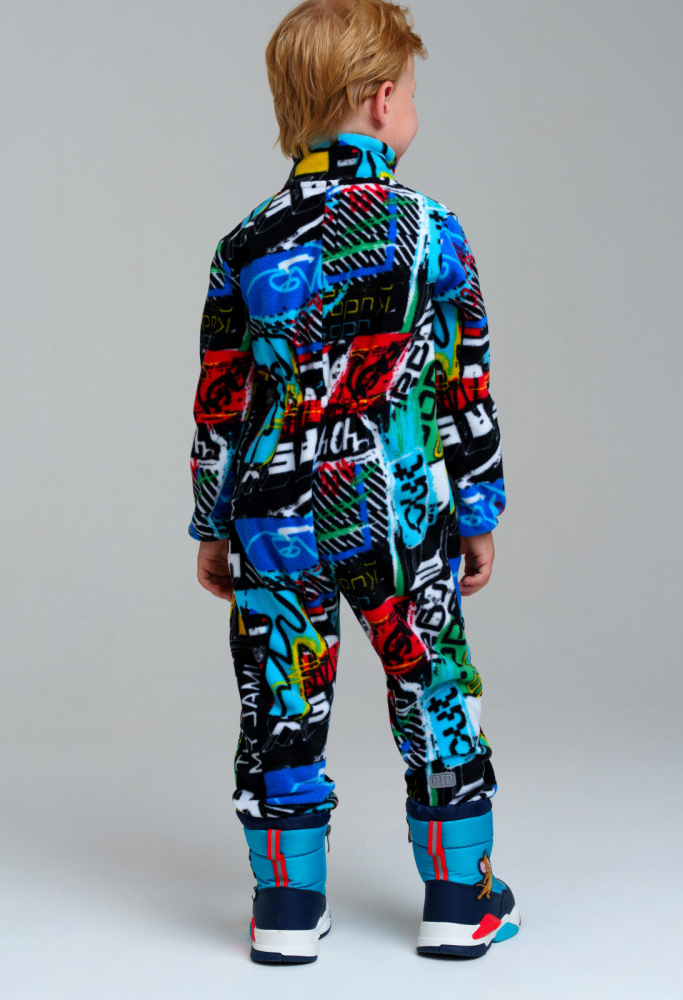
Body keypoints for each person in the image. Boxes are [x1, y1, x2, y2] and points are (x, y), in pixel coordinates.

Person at [189, 0, 521, 964]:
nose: (413, 106)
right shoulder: (432, 232)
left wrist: (212, 522)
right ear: (382, 100)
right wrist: (479, 509)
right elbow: (466, 385)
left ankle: (286, 908)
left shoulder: (246, 241)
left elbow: (220, 399)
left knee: (280, 700)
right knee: (432, 685)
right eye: (412, 91)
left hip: (272, 517)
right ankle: (459, 895)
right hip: (399, 510)